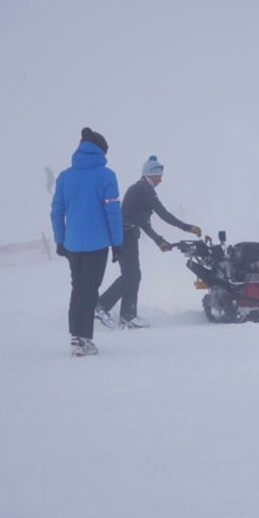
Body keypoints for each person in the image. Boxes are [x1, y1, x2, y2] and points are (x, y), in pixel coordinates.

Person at [96, 155, 202, 329]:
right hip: (125, 236)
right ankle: (102, 306)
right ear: (151, 174)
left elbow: (144, 222)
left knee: (133, 275)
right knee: (131, 275)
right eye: (159, 176)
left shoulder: (140, 189)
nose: (161, 180)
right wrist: (186, 227)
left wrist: (159, 241)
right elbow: (163, 213)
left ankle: (127, 316)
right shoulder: (144, 190)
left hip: (126, 235)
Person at [50, 127, 123, 357]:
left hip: (73, 244)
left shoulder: (65, 177)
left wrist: (60, 240)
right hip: (97, 244)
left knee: (78, 288)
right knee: (90, 289)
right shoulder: (107, 176)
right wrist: (117, 243)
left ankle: (77, 337)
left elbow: (56, 211)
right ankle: (82, 340)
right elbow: (113, 212)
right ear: (100, 151)